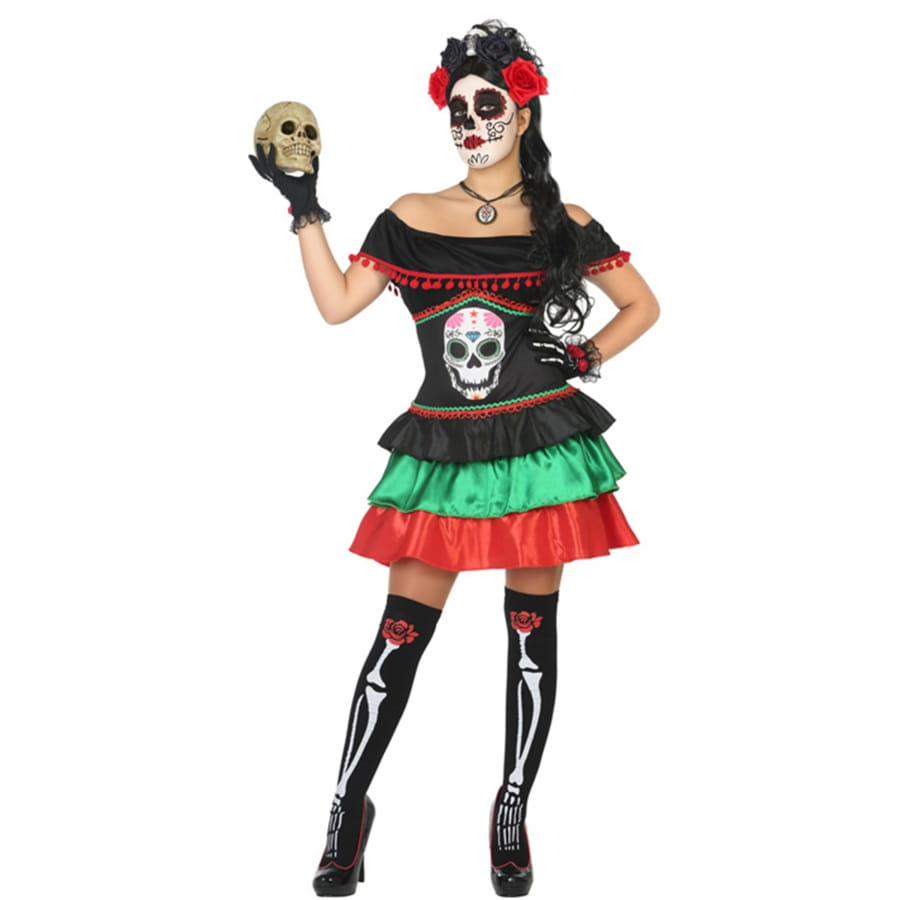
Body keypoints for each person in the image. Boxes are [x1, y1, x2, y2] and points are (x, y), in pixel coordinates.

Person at [250, 19, 660, 898]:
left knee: (530, 637)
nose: (471, 122)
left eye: (487, 105)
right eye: (459, 110)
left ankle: (511, 811)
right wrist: (304, 207)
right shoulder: (409, 216)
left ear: (524, 112)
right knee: (398, 636)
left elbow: (642, 305)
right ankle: (347, 810)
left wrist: (584, 356)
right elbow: (338, 305)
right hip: (440, 446)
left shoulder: (564, 222)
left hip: (539, 448)